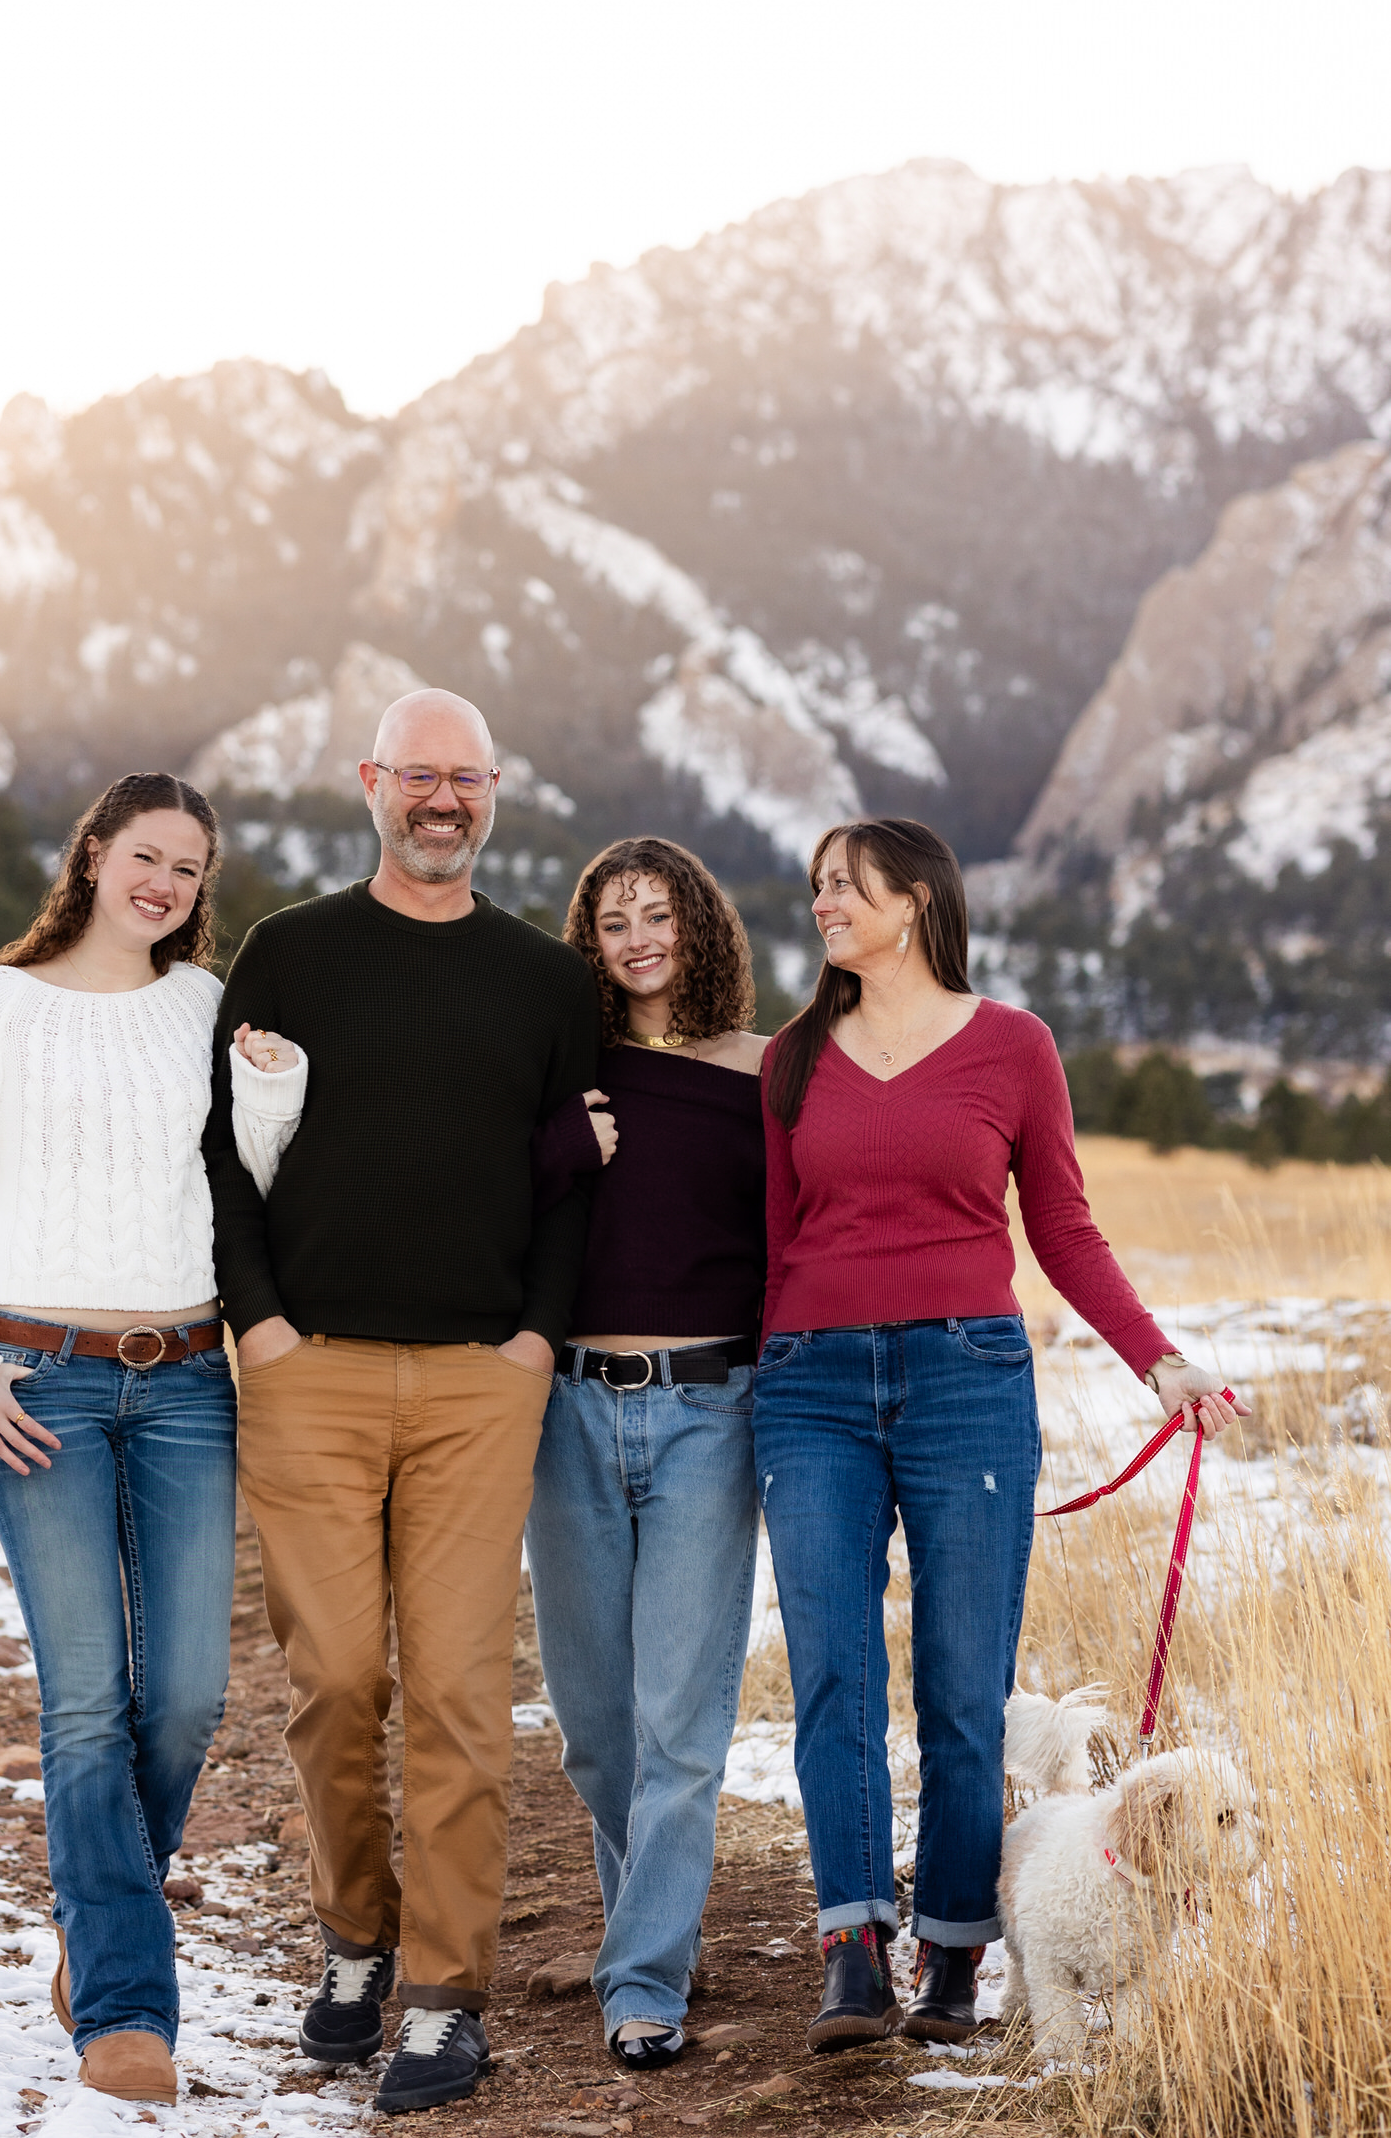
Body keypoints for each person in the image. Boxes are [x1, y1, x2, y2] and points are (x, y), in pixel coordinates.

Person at [752, 818, 1235, 2053]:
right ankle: (853, 1947)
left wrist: (1160, 1361)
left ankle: (954, 1953)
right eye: (814, 888)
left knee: (964, 1692)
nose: (822, 904)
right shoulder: (794, 1059)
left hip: (967, 1377)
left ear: (915, 901)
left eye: (844, 886)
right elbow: (769, 1241)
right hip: (809, 1387)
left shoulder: (1012, 1047)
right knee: (834, 1680)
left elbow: (1064, 1230)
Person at [202, 689, 598, 2115]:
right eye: (417, 775)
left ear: (494, 793)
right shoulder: (288, 953)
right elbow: (222, 1157)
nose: (442, 800)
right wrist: (262, 1327)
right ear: (371, 783)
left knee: (456, 1693)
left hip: (480, 1384)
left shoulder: (548, 983)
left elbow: (571, 1177)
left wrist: (536, 1342)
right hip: (310, 1372)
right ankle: (352, 1941)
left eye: (466, 779)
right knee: (337, 1684)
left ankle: (444, 1997)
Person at [0, 773, 298, 2106]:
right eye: (143, 856)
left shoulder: (202, 1010)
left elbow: (257, 1182)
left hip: (186, 1381)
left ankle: (95, 1899)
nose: (163, 884)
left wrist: (278, 1092)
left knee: (182, 1696)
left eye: (188, 867)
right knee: (86, 1699)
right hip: (39, 1383)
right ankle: (126, 2005)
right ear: (94, 857)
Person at [524, 838, 767, 2069]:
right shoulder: (563, 1073)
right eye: (611, 917)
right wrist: (561, 1146)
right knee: (593, 1728)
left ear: (699, 927)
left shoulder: (766, 1074)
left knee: (681, 1719)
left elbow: (805, 1234)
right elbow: (494, 1202)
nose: (635, 936)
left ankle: (644, 1974)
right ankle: (653, 1922)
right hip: (566, 1410)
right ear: (589, 939)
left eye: (658, 912)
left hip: (710, 1413)